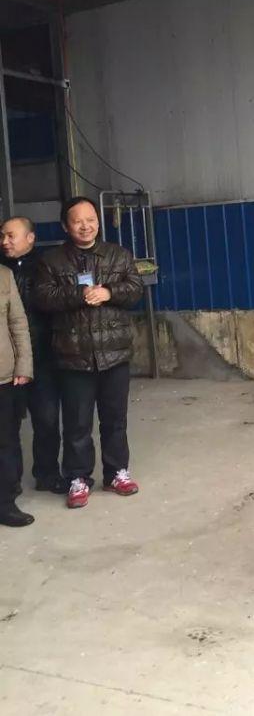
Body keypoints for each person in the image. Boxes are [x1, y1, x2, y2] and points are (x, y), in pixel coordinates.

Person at [34, 197, 143, 509]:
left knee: (115, 419)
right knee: (77, 422)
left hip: (114, 353)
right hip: (73, 354)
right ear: (66, 226)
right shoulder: (51, 261)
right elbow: (43, 298)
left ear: (98, 221)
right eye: (78, 221)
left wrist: (109, 291)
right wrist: (79, 294)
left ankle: (116, 472)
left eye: (91, 219)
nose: (86, 226)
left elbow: (135, 289)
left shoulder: (118, 255)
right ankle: (78, 477)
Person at [1, 216, 67, 494]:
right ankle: (10, 483)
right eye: (2, 236)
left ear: (30, 238)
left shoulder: (46, 267)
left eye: (11, 236)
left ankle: (47, 474)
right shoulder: (1, 269)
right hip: (8, 361)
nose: (5, 242)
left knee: (47, 419)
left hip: (43, 356)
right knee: (8, 426)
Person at [0, 262, 34, 526]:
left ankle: (6, 503)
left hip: (3, 375)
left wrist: (23, 365)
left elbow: (18, 323)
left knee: (6, 441)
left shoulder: (4, 275)